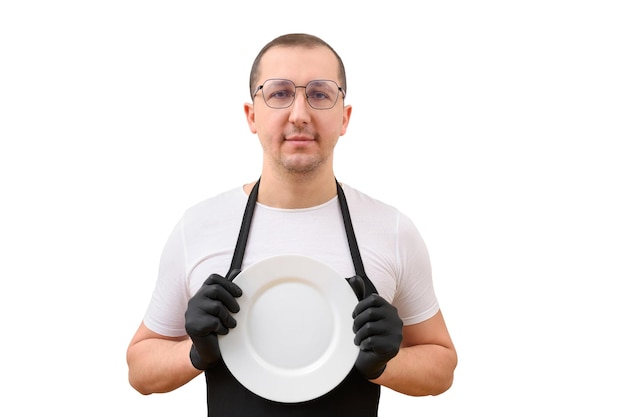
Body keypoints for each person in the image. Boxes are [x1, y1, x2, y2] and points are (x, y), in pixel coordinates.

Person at [126, 33, 457, 416]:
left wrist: (386, 364)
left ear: (344, 117)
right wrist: (195, 352)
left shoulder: (392, 230)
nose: (299, 114)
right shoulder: (199, 226)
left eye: (319, 94)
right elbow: (139, 368)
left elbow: (442, 366)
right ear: (252, 115)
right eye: (280, 93)